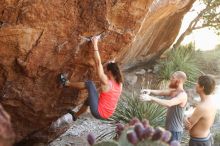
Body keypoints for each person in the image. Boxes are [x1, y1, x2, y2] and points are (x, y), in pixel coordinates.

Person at [59, 35, 123, 120]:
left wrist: (95, 43)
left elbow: (98, 63)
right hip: (108, 113)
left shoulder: (106, 81)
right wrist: (112, 63)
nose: (105, 71)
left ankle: (66, 83)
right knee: (91, 97)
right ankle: (76, 115)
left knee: (90, 84)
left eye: (106, 70)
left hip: (98, 112)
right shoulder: (120, 83)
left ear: (110, 72)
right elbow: (112, 68)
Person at [140, 71, 188, 142]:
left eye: (173, 77)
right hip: (168, 129)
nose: (170, 79)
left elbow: (169, 103)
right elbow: (161, 92)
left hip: (175, 132)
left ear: (179, 81)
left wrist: (151, 98)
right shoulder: (174, 91)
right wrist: (149, 91)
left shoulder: (182, 95)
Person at [185, 75, 216, 146]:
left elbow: (187, 127)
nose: (195, 85)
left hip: (198, 142)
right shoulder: (211, 100)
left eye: (197, 83)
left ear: (202, 87)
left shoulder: (202, 107)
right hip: (207, 138)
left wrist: (186, 117)